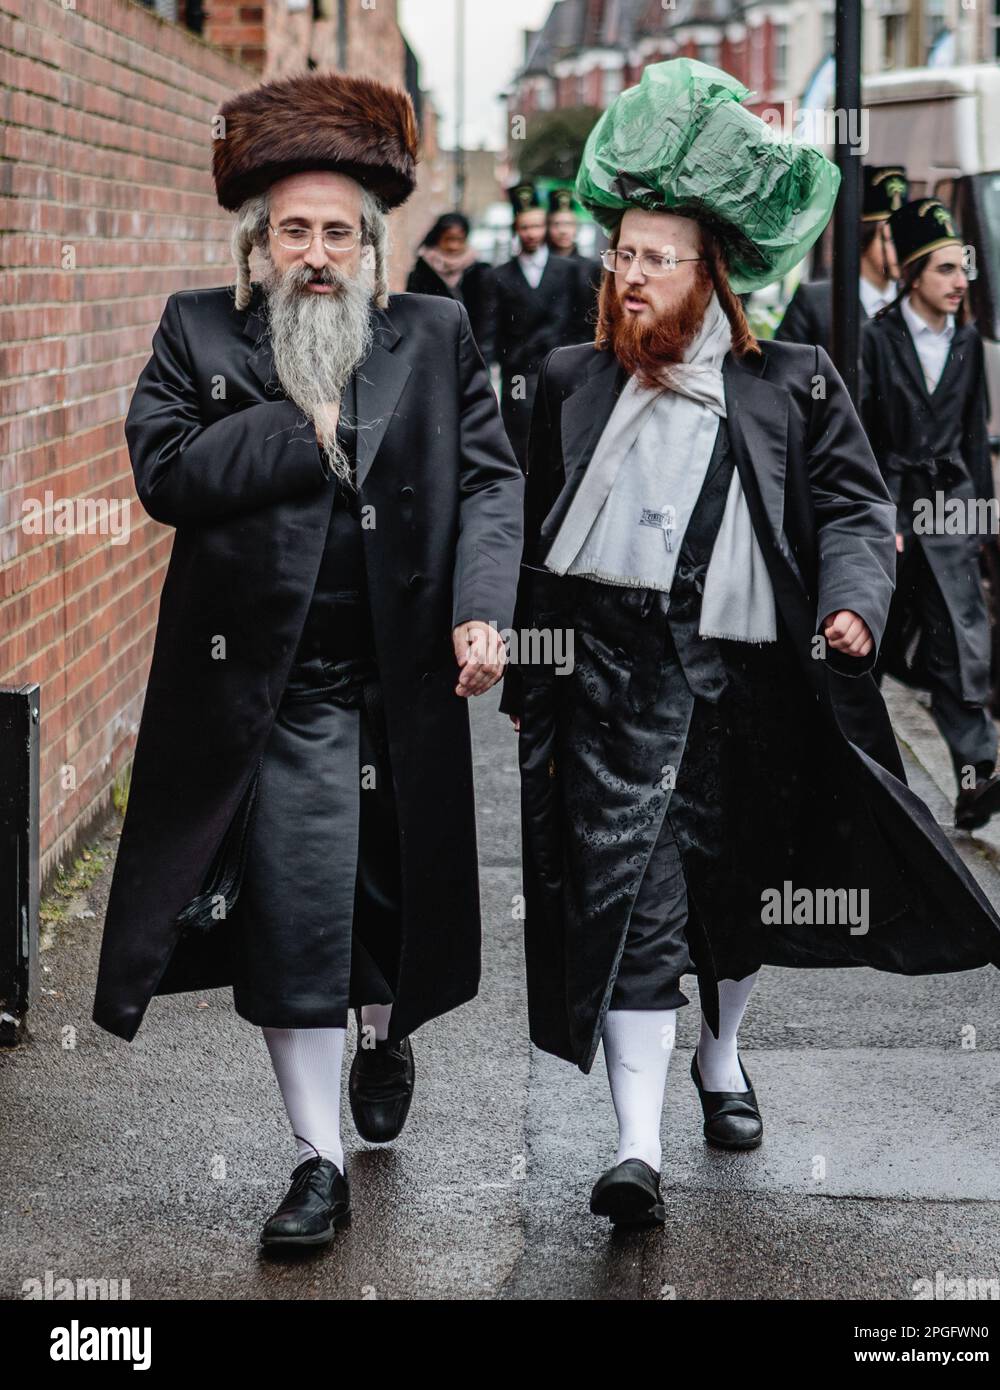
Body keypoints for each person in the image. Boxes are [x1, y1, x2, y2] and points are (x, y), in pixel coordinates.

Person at [500, 60, 1000, 1230]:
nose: (626, 276)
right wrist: (520, 662)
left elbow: (853, 508)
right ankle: (634, 1149)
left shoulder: (790, 382)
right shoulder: (565, 382)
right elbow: (524, 531)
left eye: (653, 259)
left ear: (711, 274)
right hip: (612, 691)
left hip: (752, 688)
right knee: (631, 917)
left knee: (737, 909)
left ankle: (723, 1054)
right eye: (621, 254)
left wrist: (849, 602)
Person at [92, 71, 523, 1250]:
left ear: (374, 247)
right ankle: (315, 1161)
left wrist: (485, 607)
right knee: (294, 921)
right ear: (258, 245)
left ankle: (386, 1036)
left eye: (340, 232)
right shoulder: (197, 329)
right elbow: (164, 472)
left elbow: (489, 478)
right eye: (296, 231)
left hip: (404, 682)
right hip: (269, 691)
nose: (318, 253)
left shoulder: (434, 332)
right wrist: (301, 426)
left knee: (388, 902)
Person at [861, 198, 1000, 830]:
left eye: (963, 270)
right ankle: (859, 778)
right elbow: (863, 434)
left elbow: (975, 433)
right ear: (915, 274)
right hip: (891, 508)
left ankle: (975, 780)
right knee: (872, 643)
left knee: (959, 642)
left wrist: (977, 521)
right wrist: (877, 518)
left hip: (948, 511)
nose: (960, 282)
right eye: (947, 269)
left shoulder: (970, 341)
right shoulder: (877, 338)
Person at [492, 181, 578, 465]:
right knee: (520, 448)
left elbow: (576, 322)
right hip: (519, 374)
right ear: (516, 229)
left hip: (559, 370)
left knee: (559, 444)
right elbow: (489, 332)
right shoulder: (498, 276)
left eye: (537, 226)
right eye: (525, 227)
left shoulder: (569, 270)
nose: (532, 234)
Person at [774, 165, 906, 349]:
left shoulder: (912, 303)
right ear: (863, 237)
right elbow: (784, 368)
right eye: (892, 238)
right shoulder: (815, 302)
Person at [406, 211, 495, 364]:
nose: (454, 246)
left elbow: (487, 315)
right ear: (438, 239)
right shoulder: (422, 271)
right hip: (431, 350)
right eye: (448, 239)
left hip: (470, 350)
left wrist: (481, 353)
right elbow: (414, 314)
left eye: (459, 240)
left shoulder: (479, 271)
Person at [546, 186, 600, 345]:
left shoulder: (591, 268)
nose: (563, 230)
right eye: (557, 224)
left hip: (581, 345)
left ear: (576, 227)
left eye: (568, 224)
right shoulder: (539, 267)